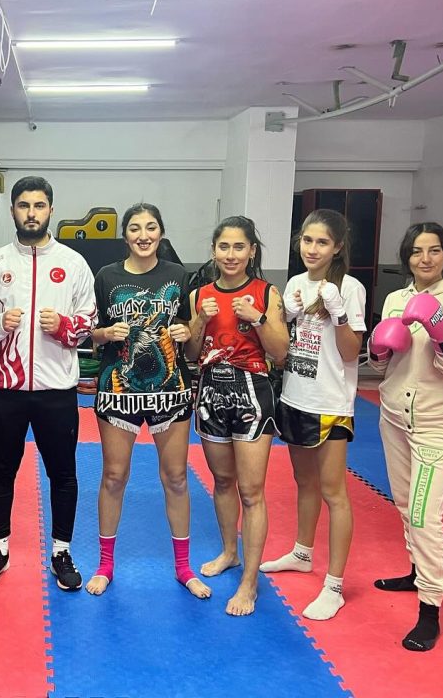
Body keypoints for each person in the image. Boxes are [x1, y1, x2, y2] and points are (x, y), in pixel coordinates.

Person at [0, 176, 96, 591]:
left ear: (50, 210)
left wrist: (63, 325)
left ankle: (61, 551)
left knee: (63, 473)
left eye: (39, 205)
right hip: (5, 390)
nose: (31, 213)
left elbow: (88, 322)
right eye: (23, 205)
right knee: (0, 471)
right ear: (13, 211)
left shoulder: (74, 264)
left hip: (56, 391)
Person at [85, 203, 209, 600]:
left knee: (176, 477)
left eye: (151, 227)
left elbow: (188, 330)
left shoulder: (178, 275)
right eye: (135, 228)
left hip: (170, 388)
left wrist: (185, 331)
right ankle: (105, 565)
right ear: (125, 235)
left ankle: (184, 567)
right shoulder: (107, 276)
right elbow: (89, 332)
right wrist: (106, 334)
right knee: (113, 476)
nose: (143, 235)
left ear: (161, 232)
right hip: (118, 388)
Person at [367, 222, 443, 651]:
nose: (425, 258)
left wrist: (442, 336)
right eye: (417, 251)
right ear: (407, 257)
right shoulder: (396, 299)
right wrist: (379, 349)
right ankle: (416, 572)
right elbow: (381, 367)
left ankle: (430, 608)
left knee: (422, 515)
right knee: (404, 504)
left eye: (434, 250)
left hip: (437, 422)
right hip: (394, 416)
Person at [259, 209, 366, 621]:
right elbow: (282, 345)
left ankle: (334, 586)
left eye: (322, 242)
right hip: (296, 395)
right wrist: (279, 315)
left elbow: (351, 353)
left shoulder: (350, 288)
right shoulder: (295, 284)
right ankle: (302, 553)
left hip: (329, 403)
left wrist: (339, 312)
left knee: (334, 492)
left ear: (337, 246)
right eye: (307, 240)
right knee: (304, 482)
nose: (313, 248)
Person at [186, 216, 288, 616]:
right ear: (214, 251)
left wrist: (257, 318)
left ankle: (250, 582)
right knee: (223, 481)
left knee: (252, 490)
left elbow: (281, 353)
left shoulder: (266, 292)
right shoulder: (200, 295)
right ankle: (230, 551)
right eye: (224, 247)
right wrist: (200, 319)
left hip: (252, 394)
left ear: (252, 251)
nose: (231, 254)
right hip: (211, 392)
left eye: (239, 247)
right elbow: (192, 353)